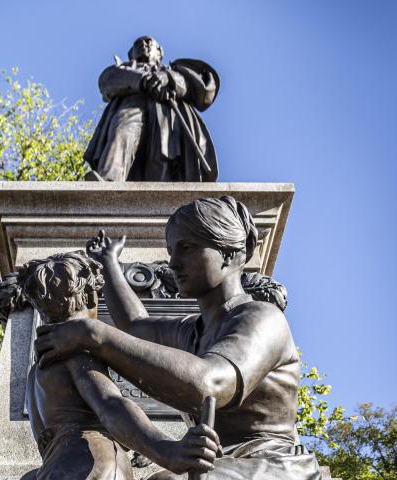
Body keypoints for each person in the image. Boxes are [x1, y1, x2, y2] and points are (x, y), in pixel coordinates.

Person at [34, 199, 324, 479]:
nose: (172, 262)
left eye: (186, 248)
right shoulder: (192, 330)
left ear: (230, 253)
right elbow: (136, 327)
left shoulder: (263, 319)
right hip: (218, 460)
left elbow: (209, 384)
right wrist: (109, 264)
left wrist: (92, 333)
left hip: (270, 462)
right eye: (171, 250)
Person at [19, 251, 220, 480]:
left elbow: (45, 436)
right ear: (92, 297)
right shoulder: (77, 351)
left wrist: (140, 445)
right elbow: (110, 406)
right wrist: (165, 450)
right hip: (92, 461)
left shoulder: (38, 369)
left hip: (55, 467)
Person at [84, 36, 219, 182]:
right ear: (131, 54)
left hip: (167, 113)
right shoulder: (122, 69)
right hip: (132, 104)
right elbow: (107, 81)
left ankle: (163, 199)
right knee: (122, 133)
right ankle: (109, 182)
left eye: (149, 42)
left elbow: (195, 87)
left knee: (163, 153)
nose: (144, 44)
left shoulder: (174, 72)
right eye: (138, 44)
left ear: (160, 52)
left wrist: (168, 78)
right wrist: (143, 80)